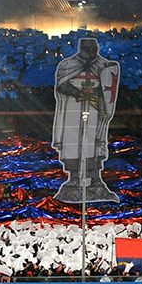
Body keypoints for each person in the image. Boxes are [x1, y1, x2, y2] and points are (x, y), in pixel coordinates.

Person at [52, 37, 120, 203]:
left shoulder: (103, 66)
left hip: (95, 107)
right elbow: (61, 84)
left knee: (95, 142)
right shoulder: (67, 65)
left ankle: (95, 178)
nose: (91, 51)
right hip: (73, 108)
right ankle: (74, 177)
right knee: (72, 142)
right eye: (88, 48)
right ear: (81, 47)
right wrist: (80, 93)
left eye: (94, 48)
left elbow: (107, 86)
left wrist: (95, 95)